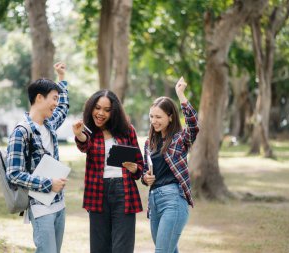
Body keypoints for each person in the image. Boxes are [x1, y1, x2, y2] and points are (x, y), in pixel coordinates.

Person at [6, 62, 69, 253]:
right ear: (39, 98)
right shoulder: (21, 132)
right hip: (40, 208)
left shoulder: (49, 124)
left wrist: (62, 79)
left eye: (57, 99)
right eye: (53, 99)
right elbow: (14, 173)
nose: (56, 103)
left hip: (59, 204)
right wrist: (48, 184)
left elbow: (63, 108)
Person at [72, 90, 143, 253]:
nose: (100, 113)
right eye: (97, 108)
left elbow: (140, 165)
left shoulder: (127, 130)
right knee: (99, 247)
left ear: (114, 112)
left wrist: (135, 168)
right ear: (91, 108)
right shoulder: (89, 131)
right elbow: (85, 145)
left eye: (106, 110)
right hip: (97, 192)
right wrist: (79, 135)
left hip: (124, 192)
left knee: (122, 247)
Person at [142, 77, 199, 253]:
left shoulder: (180, 139)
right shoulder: (148, 143)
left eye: (159, 117)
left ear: (170, 117)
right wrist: (146, 178)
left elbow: (194, 125)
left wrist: (180, 94)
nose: (154, 121)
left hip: (173, 200)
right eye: (152, 116)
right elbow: (146, 172)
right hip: (154, 202)